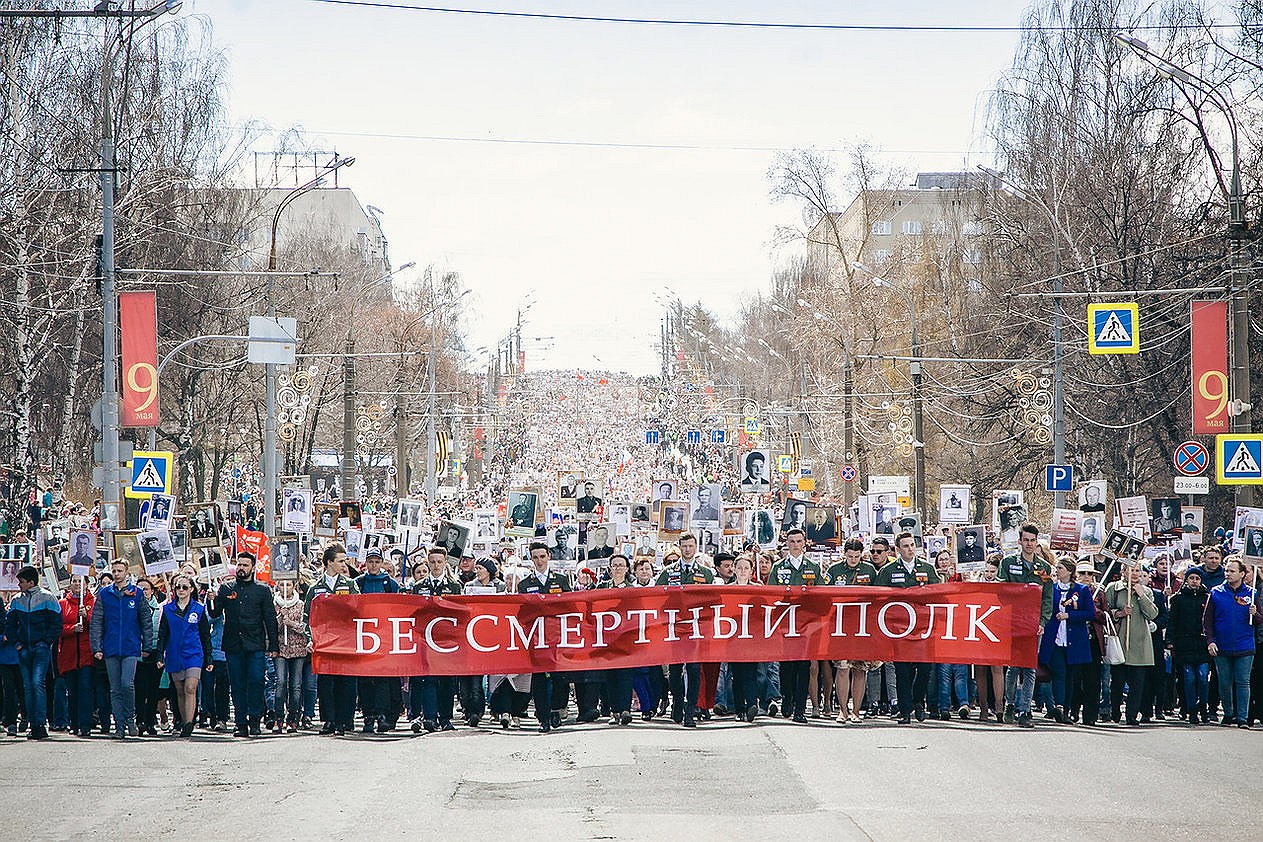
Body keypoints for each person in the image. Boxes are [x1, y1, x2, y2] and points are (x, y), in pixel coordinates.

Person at [211, 551, 279, 738]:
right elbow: (216, 613)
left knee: (257, 681)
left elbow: (270, 618)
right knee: (237, 684)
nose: (241, 568)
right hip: (233, 645)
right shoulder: (226, 588)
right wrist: (212, 599)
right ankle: (241, 722)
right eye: (239, 565)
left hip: (255, 644)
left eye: (245, 565)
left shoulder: (262, 590)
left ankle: (255, 719)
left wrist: (273, 645)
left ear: (253, 567)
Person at [875, 532, 941, 724]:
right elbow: (878, 597)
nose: (910, 549)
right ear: (898, 549)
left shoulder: (928, 569)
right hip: (899, 630)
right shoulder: (888, 571)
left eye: (912, 545)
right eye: (905, 546)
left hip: (922, 630)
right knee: (902, 671)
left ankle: (918, 701)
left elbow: (938, 595)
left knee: (925, 670)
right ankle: (905, 711)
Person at [90, 559, 154, 739]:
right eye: (114, 571)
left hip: (130, 647)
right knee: (115, 688)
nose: (117, 574)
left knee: (127, 684)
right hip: (110, 648)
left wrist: (147, 645)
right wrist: (97, 647)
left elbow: (146, 621)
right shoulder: (104, 594)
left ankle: (130, 718)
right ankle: (119, 726)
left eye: (120, 571)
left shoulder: (137, 593)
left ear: (126, 572)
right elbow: (97, 622)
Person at [997, 524, 1052, 728]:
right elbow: (1000, 590)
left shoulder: (1044, 567)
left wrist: (1042, 621)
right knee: (1013, 666)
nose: (1029, 544)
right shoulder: (1008, 563)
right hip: (1013, 622)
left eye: (1032, 540)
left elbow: (1048, 597)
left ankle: (1025, 710)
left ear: (1037, 542)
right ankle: (1010, 703)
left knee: (1029, 666)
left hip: (1034, 624)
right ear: (1020, 541)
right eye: (1026, 540)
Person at [655, 533, 713, 727]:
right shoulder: (669, 571)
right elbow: (656, 597)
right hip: (675, 627)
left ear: (696, 547)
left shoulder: (706, 573)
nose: (687, 549)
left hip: (696, 628)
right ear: (680, 547)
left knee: (695, 669)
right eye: (684, 546)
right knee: (675, 671)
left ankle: (691, 709)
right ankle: (677, 703)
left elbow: (713, 600)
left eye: (691, 546)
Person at [766, 529, 823, 724]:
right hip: (785, 622)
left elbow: (822, 594)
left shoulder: (814, 567)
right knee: (786, 666)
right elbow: (771, 594)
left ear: (804, 543)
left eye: (799, 541)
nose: (795, 545)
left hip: (806, 624)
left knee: (804, 666)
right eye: (792, 541)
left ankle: (800, 708)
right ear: (787, 543)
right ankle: (787, 697)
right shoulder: (778, 567)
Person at [304, 544, 357, 736]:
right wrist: (310, 639)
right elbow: (306, 616)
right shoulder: (315, 587)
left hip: (345, 643)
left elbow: (359, 611)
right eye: (341, 561)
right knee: (326, 683)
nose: (344, 564)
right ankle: (328, 720)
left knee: (345, 683)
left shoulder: (350, 585)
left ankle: (343, 721)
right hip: (324, 643)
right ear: (329, 562)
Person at [517, 542, 570, 732]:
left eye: (542, 556)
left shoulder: (562, 581)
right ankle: (543, 717)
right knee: (540, 679)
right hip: (537, 639)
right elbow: (521, 613)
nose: (539, 561)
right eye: (535, 557)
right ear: (531, 559)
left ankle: (556, 709)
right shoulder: (524, 584)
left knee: (559, 677)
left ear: (549, 556)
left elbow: (570, 607)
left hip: (558, 636)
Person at [1036, 558, 1096, 724]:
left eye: (1060, 568)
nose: (1057, 570)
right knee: (1059, 672)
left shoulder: (1082, 590)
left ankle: (1066, 709)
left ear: (1069, 571)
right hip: (1054, 638)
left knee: (1070, 677)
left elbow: (1090, 613)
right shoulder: (1052, 588)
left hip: (1074, 639)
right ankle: (1060, 706)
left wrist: (1070, 615)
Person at [4, 566, 61, 739]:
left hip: (40, 648)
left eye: (21, 582)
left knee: (37, 683)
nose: (18, 585)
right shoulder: (16, 600)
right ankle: (33, 723)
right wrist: (17, 644)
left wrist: (46, 642)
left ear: (31, 582)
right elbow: (10, 625)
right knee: (28, 686)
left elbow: (56, 624)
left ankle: (39, 724)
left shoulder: (48, 597)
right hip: (24, 649)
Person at [1203, 558, 1258, 727]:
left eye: (1232, 571)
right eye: (1226, 571)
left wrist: (1255, 614)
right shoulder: (1216, 592)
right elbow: (1207, 620)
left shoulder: (1252, 593)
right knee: (1225, 682)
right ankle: (1228, 713)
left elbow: (1260, 620)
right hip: (1222, 645)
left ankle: (1242, 717)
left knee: (1243, 682)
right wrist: (1210, 641)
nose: (1228, 574)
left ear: (1242, 574)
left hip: (1245, 644)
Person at [156, 573, 211, 737]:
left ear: (191, 589)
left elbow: (205, 635)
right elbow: (163, 634)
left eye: (185, 587)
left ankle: (188, 723)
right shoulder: (168, 609)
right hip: (174, 653)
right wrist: (160, 655)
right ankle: (182, 720)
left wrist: (208, 658)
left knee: (190, 687)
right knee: (180, 689)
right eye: (178, 587)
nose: (181, 590)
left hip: (193, 654)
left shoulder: (199, 609)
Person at [354, 547, 401, 733]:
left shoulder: (390, 584)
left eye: (377, 561)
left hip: (384, 637)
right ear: (366, 563)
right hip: (363, 636)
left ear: (381, 563)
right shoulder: (358, 582)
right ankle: (368, 714)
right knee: (364, 679)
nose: (373, 565)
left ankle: (382, 714)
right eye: (370, 561)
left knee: (382, 678)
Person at [1105, 563, 1159, 725]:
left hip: (1140, 642)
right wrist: (1119, 613)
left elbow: (1152, 613)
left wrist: (1142, 595)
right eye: (1131, 570)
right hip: (1121, 640)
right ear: (1123, 571)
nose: (1135, 574)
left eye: (1137, 571)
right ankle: (1115, 711)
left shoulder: (1146, 590)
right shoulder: (1114, 588)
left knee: (1137, 684)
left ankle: (1131, 715)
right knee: (1118, 681)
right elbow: (1106, 611)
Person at [1166, 568, 1211, 724]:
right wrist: (1170, 641)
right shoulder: (1178, 599)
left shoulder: (1207, 598)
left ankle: (1203, 706)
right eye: (1191, 578)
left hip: (1202, 644)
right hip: (1184, 644)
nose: (1194, 581)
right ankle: (1191, 709)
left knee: (1203, 677)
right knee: (1189, 679)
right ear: (1186, 580)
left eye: (1197, 578)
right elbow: (1172, 621)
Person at [57, 576, 96, 737]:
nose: (77, 584)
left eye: (81, 582)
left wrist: (86, 616)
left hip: (87, 653)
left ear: (87, 584)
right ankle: (73, 722)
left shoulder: (93, 602)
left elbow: (98, 624)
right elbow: (57, 628)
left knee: (85, 688)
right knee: (72, 691)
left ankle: (85, 723)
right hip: (70, 654)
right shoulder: (62, 604)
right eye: (74, 581)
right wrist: (72, 628)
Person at [273, 579, 309, 734]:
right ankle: (278, 717)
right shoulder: (274, 604)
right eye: (282, 584)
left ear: (294, 586)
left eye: (288, 585)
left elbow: (305, 627)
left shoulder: (301, 604)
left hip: (298, 649)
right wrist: (281, 619)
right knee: (280, 682)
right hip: (281, 648)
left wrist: (292, 623)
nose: (285, 588)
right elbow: (272, 627)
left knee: (295, 685)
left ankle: (293, 718)